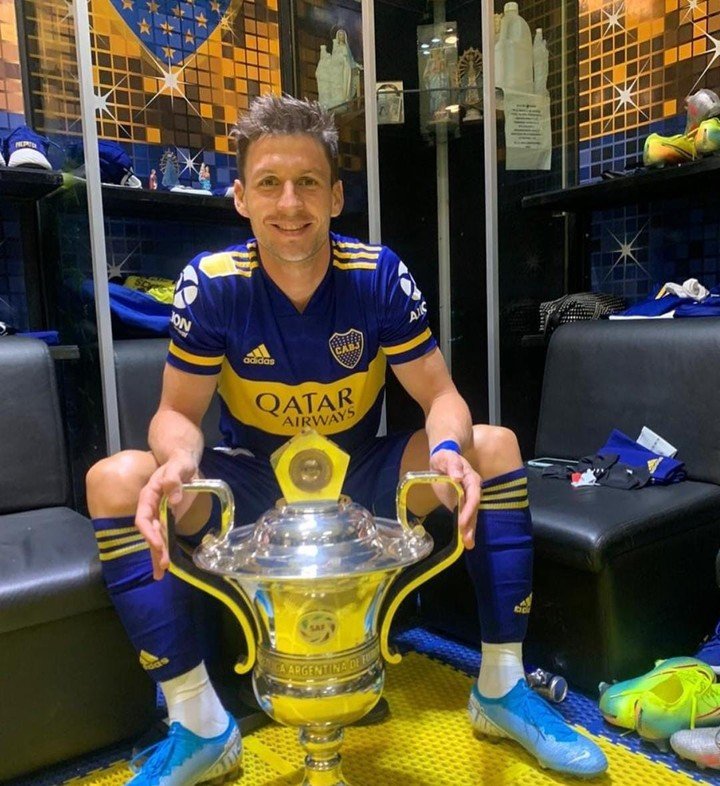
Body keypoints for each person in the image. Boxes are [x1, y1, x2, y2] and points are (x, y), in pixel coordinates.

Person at [86, 94, 608, 785]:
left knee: (495, 445)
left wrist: (447, 454)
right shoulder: (210, 285)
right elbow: (176, 414)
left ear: (336, 197)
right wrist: (178, 462)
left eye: (308, 182)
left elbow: (441, 397)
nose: (289, 202)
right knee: (115, 480)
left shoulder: (378, 275)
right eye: (269, 183)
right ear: (241, 198)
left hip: (359, 480)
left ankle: (501, 687)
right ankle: (199, 723)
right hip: (254, 489)